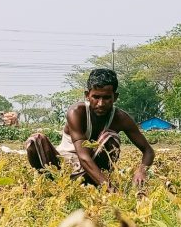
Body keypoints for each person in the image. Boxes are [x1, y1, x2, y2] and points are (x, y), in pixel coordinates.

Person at [26, 68, 155, 187]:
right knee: (35, 140)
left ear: (115, 97)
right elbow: (83, 157)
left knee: (110, 137)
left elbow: (148, 151)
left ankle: (94, 183)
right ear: (87, 95)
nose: (101, 103)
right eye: (96, 97)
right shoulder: (77, 112)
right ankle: (48, 181)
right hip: (63, 167)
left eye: (106, 98)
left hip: (94, 170)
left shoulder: (120, 118)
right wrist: (108, 187)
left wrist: (141, 171)